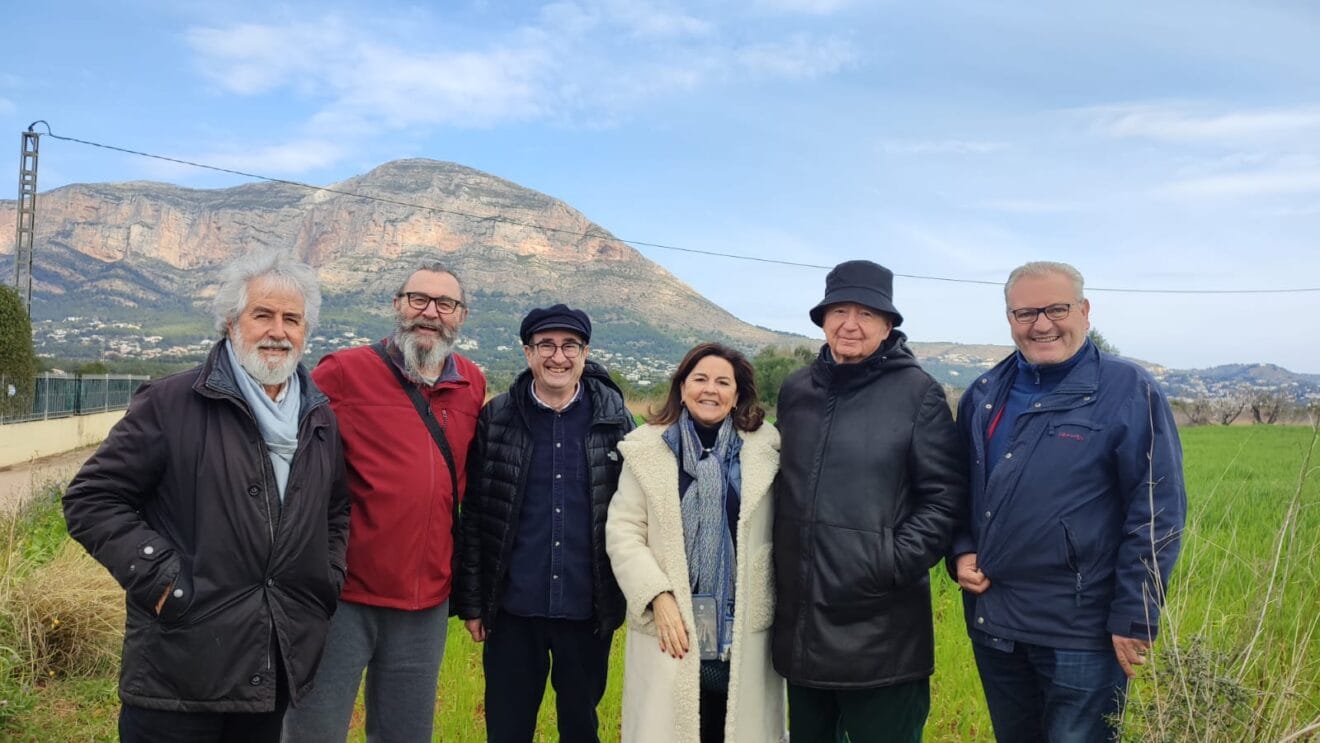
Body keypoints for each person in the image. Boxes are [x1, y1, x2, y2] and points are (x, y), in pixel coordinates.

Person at [63, 250, 349, 743]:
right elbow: (91, 499)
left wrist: (326, 582)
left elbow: (335, 511)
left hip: (272, 661)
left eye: (291, 319)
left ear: (305, 332)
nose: (277, 331)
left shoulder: (318, 417)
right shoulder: (171, 402)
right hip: (179, 667)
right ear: (231, 323)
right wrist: (164, 582)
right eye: (262, 315)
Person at [951, 261, 1186, 742]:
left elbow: (1157, 512)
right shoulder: (984, 394)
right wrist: (961, 547)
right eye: (1025, 313)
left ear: (1084, 310)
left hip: (1083, 634)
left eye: (1056, 309)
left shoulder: (1127, 390)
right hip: (995, 622)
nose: (1042, 324)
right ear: (1009, 318)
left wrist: (1135, 615)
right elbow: (960, 488)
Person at [282, 261, 487, 742]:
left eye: (445, 304)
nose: (430, 313)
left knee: (405, 735)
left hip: (425, 603)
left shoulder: (472, 384)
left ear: (461, 315)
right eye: (418, 299)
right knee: (314, 731)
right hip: (342, 596)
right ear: (397, 304)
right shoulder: (344, 371)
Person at [771, 260, 966, 742]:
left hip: (881, 634)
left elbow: (944, 498)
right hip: (800, 628)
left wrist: (887, 563)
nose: (850, 324)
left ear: (887, 324)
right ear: (822, 320)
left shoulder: (917, 393)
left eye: (866, 312)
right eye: (839, 310)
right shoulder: (797, 390)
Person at [455, 304, 634, 743]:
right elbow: (476, 513)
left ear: (585, 352)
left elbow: (634, 516)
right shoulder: (496, 419)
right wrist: (473, 602)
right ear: (527, 352)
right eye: (546, 345)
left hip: (586, 609)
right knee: (508, 729)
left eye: (570, 345)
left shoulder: (614, 422)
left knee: (580, 728)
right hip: (513, 610)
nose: (558, 356)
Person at [607, 342, 786, 743]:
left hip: (741, 632)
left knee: (735, 729)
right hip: (670, 629)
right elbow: (624, 532)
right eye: (700, 379)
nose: (711, 389)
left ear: (737, 394)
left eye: (723, 382)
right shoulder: (647, 450)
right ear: (682, 386)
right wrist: (658, 595)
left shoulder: (764, 451)